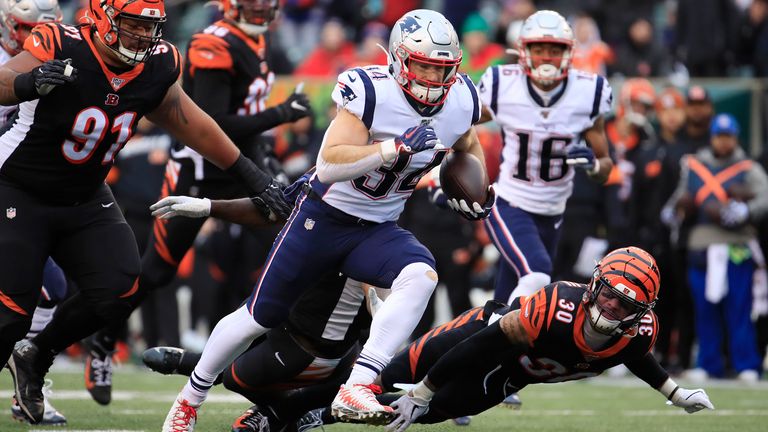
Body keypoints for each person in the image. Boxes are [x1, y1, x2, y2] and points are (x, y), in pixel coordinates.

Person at [161, 9, 495, 431]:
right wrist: (391, 150)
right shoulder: (371, 91)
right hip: (324, 218)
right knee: (257, 317)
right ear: (398, 59)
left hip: (376, 227)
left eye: (442, 68)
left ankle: (359, 383)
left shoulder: (461, 98)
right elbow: (329, 163)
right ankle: (190, 399)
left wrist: (476, 190)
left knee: (421, 274)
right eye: (423, 65)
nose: (432, 77)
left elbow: (467, 139)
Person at [0, 0, 290, 425]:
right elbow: (5, 79)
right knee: (11, 315)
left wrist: (253, 176)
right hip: (19, 189)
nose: (142, 35)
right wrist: (28, 82)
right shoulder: (61, 42)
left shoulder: (158, 64)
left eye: (148, 26)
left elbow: (191, 121)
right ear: (102, 18)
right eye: (132, 24)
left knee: (118, 289)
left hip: (84, 194)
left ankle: (36, 356)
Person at [83, 0, 311, 405]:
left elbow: (245, 112)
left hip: (243, 172)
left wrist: (266, 159)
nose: (261, 14)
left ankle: (293, 361)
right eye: (253, 6)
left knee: (298, 253)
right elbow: (214, 122)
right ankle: (102, 341)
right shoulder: (213, 43)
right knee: (156, 271)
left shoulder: (254, 41)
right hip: (200, 173)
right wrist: (280, 114)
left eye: (266, 6)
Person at [303, 247, 715, 431]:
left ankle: (316, 416)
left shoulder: (639, 333)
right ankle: (283, 413)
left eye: (626, 305)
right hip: (483, 331)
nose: (611, 308)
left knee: (417, 414)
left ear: (642, 313)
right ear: (595, 285)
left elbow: (637, 355)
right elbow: (483, 345)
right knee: (390, 375)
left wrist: (676, 394)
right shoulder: (557, 307)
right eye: (609, 294)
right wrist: (424, 388)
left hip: (505, 379)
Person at [476, 10, 612, 342]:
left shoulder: (588, 92)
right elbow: (460, 126)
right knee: (537, 275)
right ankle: (483, 350)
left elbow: (606, 163)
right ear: (524, 50)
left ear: (568, 52)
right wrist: (446, 173)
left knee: (503, 300)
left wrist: (593, 166)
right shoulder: (501, 84)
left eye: (554, 49)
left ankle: (480, 368)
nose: (546, 57)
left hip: (553, 214)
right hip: (508, 202)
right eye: (539, 48)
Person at [663, 113, 768, 381]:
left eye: (728, 137)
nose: (723, 143)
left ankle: (745, 363)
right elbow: (676, 201)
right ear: (712, 137)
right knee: (704, 308)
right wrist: (676, 211)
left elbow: (765, 197)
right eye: (719, 137)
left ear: (735, 138)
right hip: (702, 246)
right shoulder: (696, 165)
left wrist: (746, 210)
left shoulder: (747, 167)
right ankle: (708, 362)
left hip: (736, 244)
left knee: (740, 306)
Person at [0, 0, 66, 425]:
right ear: (10, 26)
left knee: (51, 289)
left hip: (21, 192)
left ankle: (28, 385)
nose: (33, 38)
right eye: (25, 29)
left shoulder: (60, 57)